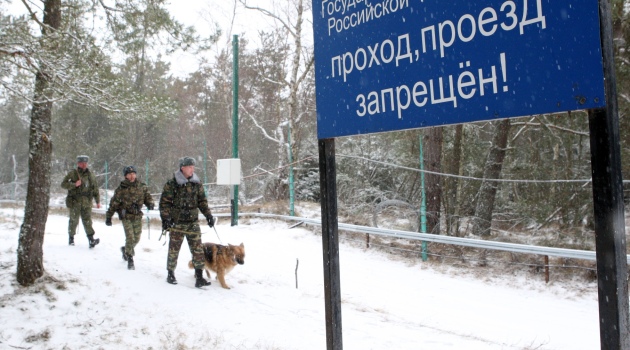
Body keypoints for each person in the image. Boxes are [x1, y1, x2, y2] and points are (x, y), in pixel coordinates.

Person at [159, 156, 215, 288]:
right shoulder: (172, 184)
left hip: (192, 222)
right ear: (182, 168)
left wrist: (208, 216)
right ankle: (170, 273)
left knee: (198, 250)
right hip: (177, 222)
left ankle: (199, 277)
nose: (192, 169)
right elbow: (164, 203)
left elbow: (202, 201)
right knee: (174, 249)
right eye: (190, 167)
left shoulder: (197, 183)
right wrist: (166, 219)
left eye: (193, 167)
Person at [105, 165, 155, 270]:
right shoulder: (121, 189)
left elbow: (147, 197)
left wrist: (150, 203)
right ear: (125, 176)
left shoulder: (142, 186)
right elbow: (114, 203)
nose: (132, 176)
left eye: (133, 174)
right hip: (126, 216)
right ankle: (130, 258)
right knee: (130, 237)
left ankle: (126, 250)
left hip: (137, 215)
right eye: (129, 174)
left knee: (136, 238)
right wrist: (108, 217)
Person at [61, 155, 101, 248]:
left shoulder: (90, 175)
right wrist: (74, 184)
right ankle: (71, 238)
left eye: (85, 163)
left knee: (87, 221)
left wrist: (97, 201)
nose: (84, 165)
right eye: (82, 163)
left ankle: (91, 239)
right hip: (75, 201)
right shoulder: (73, 173)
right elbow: (63, 184)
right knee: (73, 220)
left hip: (87, 201)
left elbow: (95, 188)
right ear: (78, 163)